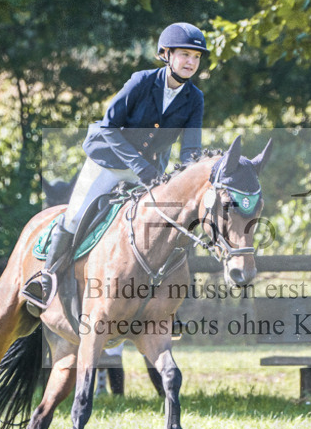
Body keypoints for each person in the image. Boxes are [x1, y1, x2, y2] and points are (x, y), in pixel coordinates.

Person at [22, 22, 210, 309]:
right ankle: (44, 279)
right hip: (108, 160)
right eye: (185, 54)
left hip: (150, 172)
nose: (191, 62)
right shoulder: (141, 82)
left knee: (162, 226)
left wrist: (187, 184)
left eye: (196, 57)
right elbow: (109, 127)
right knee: (75, 216)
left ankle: (159, 305)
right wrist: (139, 166)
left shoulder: (194, 98)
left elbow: (191, 151)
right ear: (166, 54)